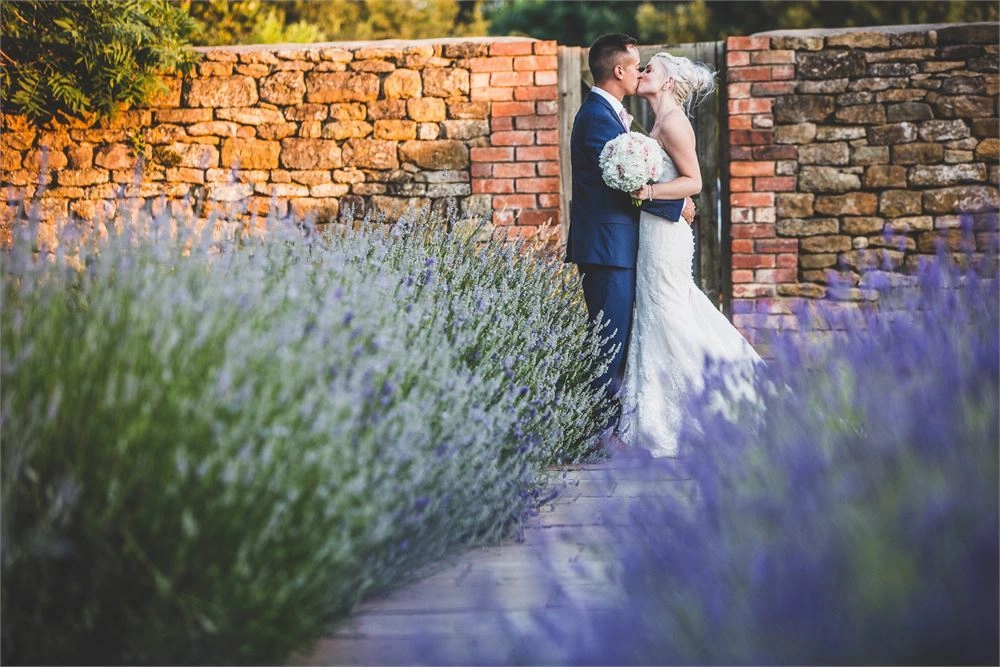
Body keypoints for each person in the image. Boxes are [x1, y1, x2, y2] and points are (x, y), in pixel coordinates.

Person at [617, 52, 762, 457]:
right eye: (642, 68)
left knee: (669, 310)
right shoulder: (658, 121)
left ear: (666, 82)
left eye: (650, 69)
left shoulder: (675, 123)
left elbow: (693, 182)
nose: (642, 72)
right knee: (660, 311)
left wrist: (646, 192)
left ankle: (719, 405)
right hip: (653, 230)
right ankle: (657, 415)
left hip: (666, 236)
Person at [565, 34, 693, 446]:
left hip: (619, 247)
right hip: (606, 249)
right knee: (609, 342)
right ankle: (599, 437)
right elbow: (622, 183)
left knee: (619, 340)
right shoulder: (596, 118)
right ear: (618, 71)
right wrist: (678, 206)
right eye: (636, 66)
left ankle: (612, 429)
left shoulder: (613, 113)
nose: (639, 73)